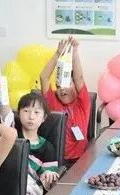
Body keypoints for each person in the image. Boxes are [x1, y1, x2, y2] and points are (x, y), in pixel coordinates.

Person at [39, 36, 91, 166]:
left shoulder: (82, 103)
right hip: (59, 160)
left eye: (67, 83)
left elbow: (78, 77)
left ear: (75, 86)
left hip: (81, 159)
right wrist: (58, 53)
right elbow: (44, 77)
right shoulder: (53, 102)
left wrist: (75, 51)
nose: (62, 89)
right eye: (58, 86)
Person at [14, 91, 61, 195]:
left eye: (36, 112)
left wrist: (48, 174)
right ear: (18, 113)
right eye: (26, 111)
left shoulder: (48, 148)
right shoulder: (13, 137)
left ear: (44, 117)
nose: (31, 116)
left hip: (28, 193)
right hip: (8, 186)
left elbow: (48, 180)